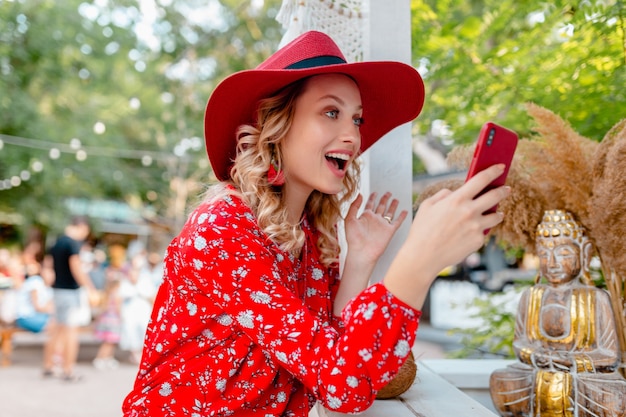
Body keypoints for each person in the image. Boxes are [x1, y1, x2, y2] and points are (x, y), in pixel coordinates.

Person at [123, 30, 510, 416]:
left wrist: (358, 260)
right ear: (277, 124)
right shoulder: (222, 228)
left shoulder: (308, 236)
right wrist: (421, 259)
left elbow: (332, 359)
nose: (353, 136)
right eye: (331, 112)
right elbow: (342, 385)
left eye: (357, 119)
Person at [489, 210, 626, 417]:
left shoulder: (596, 297)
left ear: (585, 253)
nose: (552, 263)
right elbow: (520, 344)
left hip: (583, 379)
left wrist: (572, 361)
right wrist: (538, 355)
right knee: (501, 379)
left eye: (563, 254)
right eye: (544, 254)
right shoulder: (531, 295)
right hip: (538, 369)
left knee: (617, 396)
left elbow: (609, 355)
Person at [42, 215, 97, 382]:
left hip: (57, 291)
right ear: (82, 227)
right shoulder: (72, 244)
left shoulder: (56, 243)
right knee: (71, 333)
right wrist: (91, 289)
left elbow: (47, 267)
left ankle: (48, 366)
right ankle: (68, 370)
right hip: (70, 293)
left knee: (57, 331)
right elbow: (77, 269)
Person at [92, 244, 126, 370]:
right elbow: (118, 308)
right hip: (113, 320)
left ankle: (107, 358)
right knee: (109, 342)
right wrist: (122, 317)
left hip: (106, 319)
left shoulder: (107, 294)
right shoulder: (117, 295)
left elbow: (103, 308)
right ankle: (101, 358)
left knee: (110, 341)